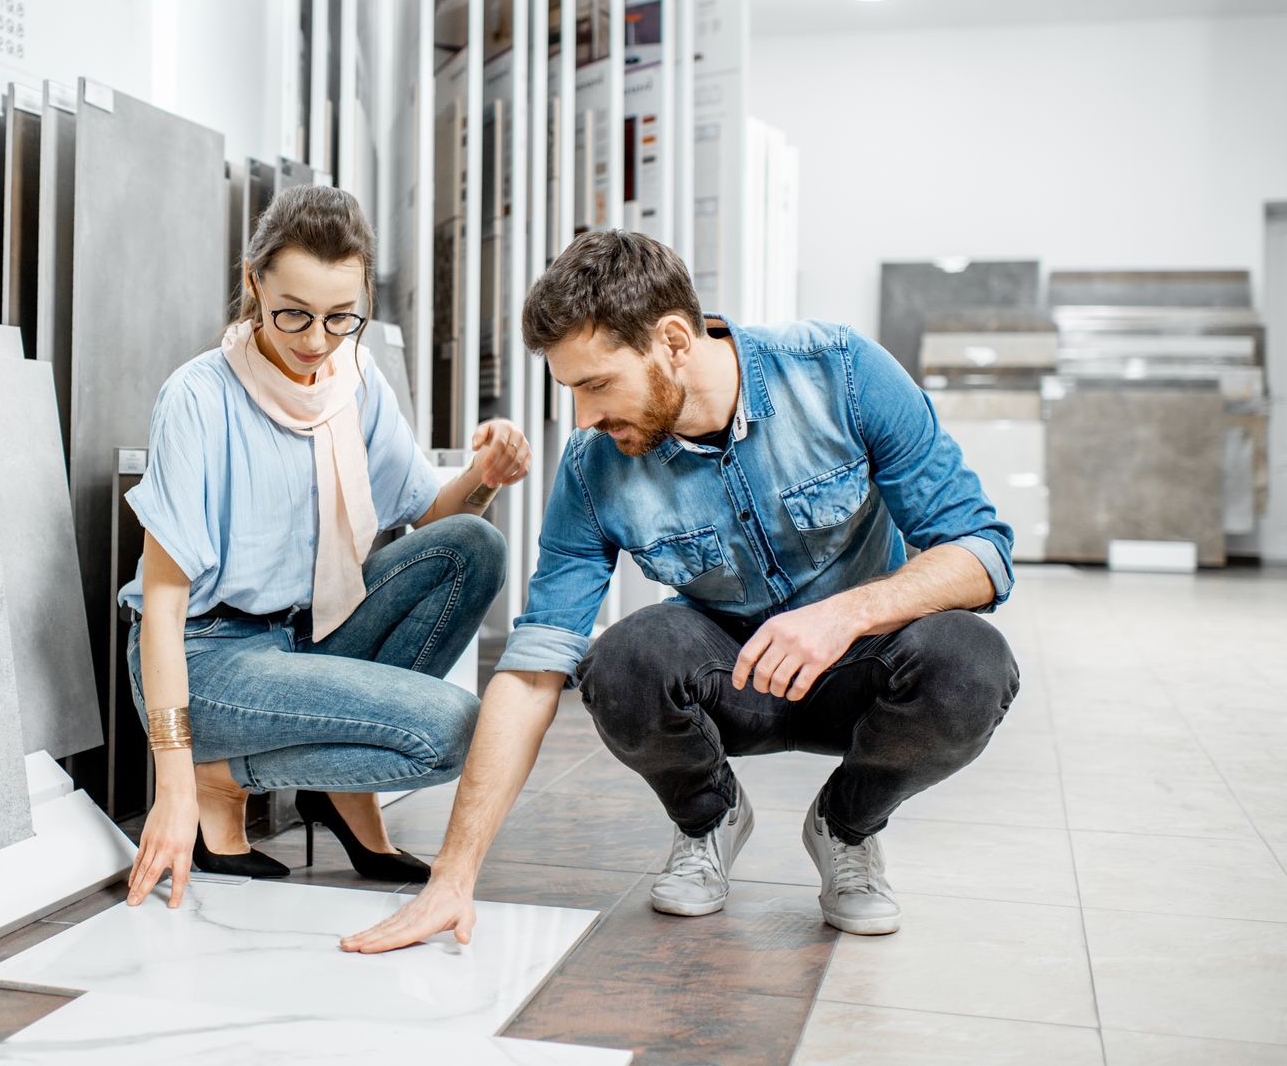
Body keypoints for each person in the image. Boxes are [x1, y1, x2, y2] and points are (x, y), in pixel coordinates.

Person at [344, 230, 1020, 947]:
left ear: (672, 340)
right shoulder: (592, 465)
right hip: (732, 676)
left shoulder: (842, 374)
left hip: (864, 665)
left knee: (972, 664)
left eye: (597, 384)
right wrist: (452, 875)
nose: (583, 417)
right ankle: (710, 818)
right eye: (570, 389)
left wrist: (845, 614)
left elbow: (982, 551)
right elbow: (533, 665)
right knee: (621, 662)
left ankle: (847, 827)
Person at [121, 184, 534, 909]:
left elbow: (428, 515)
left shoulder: (354, 378)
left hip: (305, 633)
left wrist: (483, 475)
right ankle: (226, 777)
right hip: (206, 656)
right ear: (252, 283)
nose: (316, 340)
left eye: (341, 317)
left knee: (473, 544)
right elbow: (162, 605)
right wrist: (175, 780)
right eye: (292, 314)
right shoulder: (197, 397)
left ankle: (334, 789)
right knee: (456, 729)